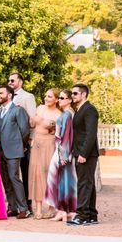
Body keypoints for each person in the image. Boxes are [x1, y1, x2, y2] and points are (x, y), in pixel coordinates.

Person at [0, 85, 31, 219]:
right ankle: (12, 207)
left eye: (1, 93)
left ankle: (24, 208)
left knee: (14, 178)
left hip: (13, 150)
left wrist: (21, 146)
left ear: (9, 95)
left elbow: (25, 130)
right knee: (6, 180)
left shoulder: (17, 111)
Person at [67, 83, 100, 226]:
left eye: (75, 93)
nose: (72, 96)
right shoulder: (80, 109)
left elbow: (91, 134)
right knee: (89, 184)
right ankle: (92, 214)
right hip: (80, 152)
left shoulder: (90, 110)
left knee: (84, 184)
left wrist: (83, 153)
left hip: (86, 153)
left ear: (83, 94)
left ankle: (82, 215)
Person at [29, 88, 62, 219]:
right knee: (36, 173)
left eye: (49, 96)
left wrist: (41, 121)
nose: (46, 98)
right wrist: (42, 122)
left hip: (50, 144)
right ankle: (38, 208)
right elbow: (33, 122)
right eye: (46, 96)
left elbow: (53, 129)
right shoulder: (40, 108)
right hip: (37, 143)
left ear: (56, 99)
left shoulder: (59, 113)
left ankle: (51, 207)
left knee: (49, 174)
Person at [45, 89, 78, 222]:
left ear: (70, 100)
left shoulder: (66, 115)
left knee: (55, 180)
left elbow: (65, 137)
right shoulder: (70, 114)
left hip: (62, 152)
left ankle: (62, 210)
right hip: (65, 152)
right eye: (60, 98)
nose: (59, 100)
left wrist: (63, 155)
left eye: (62, 98)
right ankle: (65, 210)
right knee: (65, 181)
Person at [9, 72, 36, 212]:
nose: (10, 82)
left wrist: (29, 140)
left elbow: (32, 120)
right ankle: (15, 204)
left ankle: (28, 204)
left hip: (23, 141)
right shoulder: (8, 96)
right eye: (9, 80)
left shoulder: (27, 97)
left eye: (12, 80)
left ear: (20, 82)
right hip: (9, 142)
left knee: (25, 172)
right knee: (12, 174)